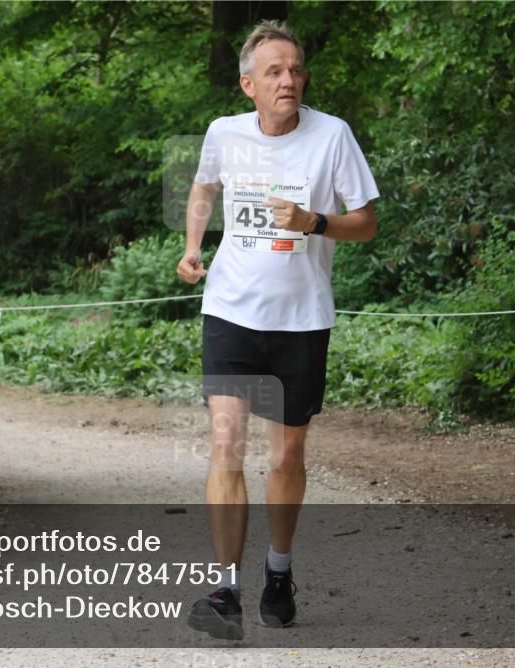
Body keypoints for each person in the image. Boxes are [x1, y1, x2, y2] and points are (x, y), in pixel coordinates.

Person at [175, 20, 379, 638]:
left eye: (294, 70)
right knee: (226, 444)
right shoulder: (223, 133)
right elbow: (204, 185)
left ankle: (280, 571)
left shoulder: (332, 135)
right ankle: (227, 591)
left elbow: (366, 223)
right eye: (274, 71)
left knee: (288, 454)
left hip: (302, 317)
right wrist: (191, 246)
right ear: (248, 85)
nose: (288, 79)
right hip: (231, 309)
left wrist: (314, 221)